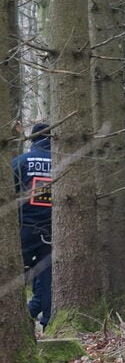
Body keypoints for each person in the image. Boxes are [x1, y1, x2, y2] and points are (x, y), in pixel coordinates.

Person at [13, 123, 53, 329]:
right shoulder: (61, 161)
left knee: (15, 272)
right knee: (48, 277)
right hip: (52, 230)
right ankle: (48, 322)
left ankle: (13, 319)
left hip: (25, 228)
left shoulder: (20, 162)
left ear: (32, 139)